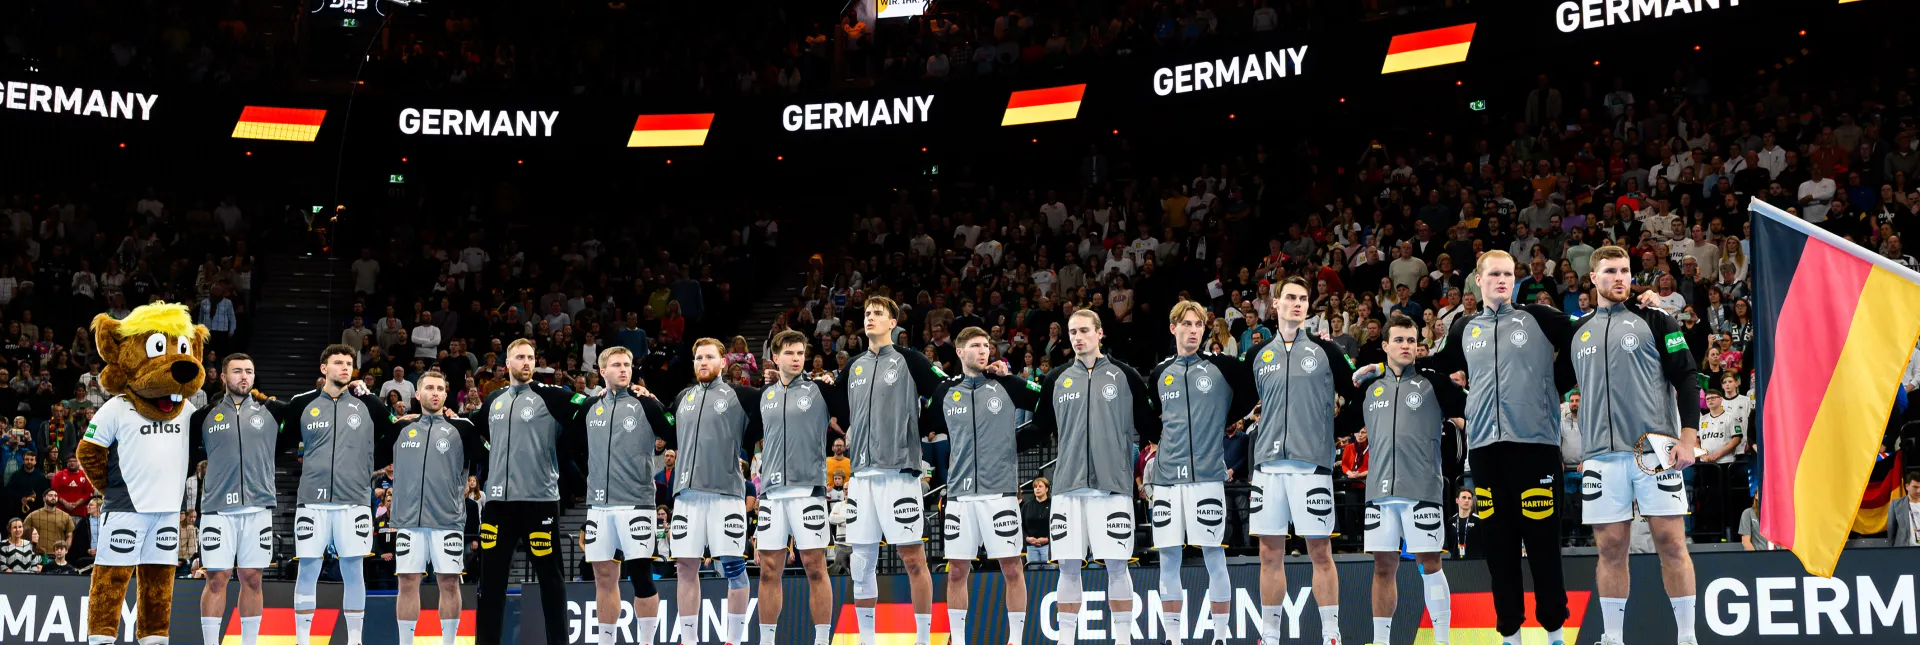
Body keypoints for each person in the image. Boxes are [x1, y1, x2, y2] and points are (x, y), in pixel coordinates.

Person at [1422, 250, 1580, 645]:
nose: (1503, 280)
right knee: (1499, 547)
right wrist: (1461, 405)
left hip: (1536, 446)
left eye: (1509, 274)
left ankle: (1555, 632)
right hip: (1486, 450)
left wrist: (1554, 386)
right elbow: (1439, 368)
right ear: (1478, 280)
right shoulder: (1463, 328)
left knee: (1543, 546)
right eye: (1494, 274)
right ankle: (1510, 634)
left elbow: (1586, 335)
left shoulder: (1538, 318)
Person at [1567, 246, 1702, 645]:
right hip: (1600, 456)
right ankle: (1612, 637)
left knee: (1671, 542)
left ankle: (1687, 637)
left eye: (1625, 270)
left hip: (1655, 450)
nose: (1620, 277)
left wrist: (1689, 438)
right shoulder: (1577, 330)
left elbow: (1688, 377)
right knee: (1610, 547)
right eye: (1610, 271)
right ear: (1593, 278)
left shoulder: (1656, 319)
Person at [1032, 309, 1160, 645]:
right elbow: (1039, 428)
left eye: (1084, 330)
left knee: (1117, 567)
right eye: (1072, 332)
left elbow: (1149, 425)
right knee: (1068, 568)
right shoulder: (1056, 378)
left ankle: (1122, 639)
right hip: (1067, 488)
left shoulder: (1125, 375)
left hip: (1112, 487)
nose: (1077, 337)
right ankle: (1066, 640)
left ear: (1100, 333)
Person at [828, 296, 947, 645]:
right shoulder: (852, 366)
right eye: (866, 314)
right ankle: (866, 640)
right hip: (861, 476)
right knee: (862, 562)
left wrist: (922, 424)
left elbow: (942, 390)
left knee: (913, 558)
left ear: (893, 321)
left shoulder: (911, 360)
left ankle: (924, 639)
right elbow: (835, 405)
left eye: (878, 313)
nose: (870, 318)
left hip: (899, 473)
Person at [462, 338, 597, 645]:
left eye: (530, 357)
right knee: (491, 584)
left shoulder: (552, 395)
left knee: (552, 583)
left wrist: (562, 453)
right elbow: (470, 430)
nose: (526, 362)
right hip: (497, 505)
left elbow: (587, 407)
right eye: (520, 357)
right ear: (506, 363)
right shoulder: (494, 398)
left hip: (540, 503)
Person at [1248, 277, 1358, 645]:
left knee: (1320, 550)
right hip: (1267, 465)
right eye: (1290, 298)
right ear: (1275, 303)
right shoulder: (1258, 355)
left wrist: (1336, 429)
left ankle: (1331, 634)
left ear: (1309, 307)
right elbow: (1234, 404)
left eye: (1303, 299)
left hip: (1311, 465)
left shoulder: (1326, 351)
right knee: (1268, 553)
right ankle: (1270, 635)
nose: (1297, 304)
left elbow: (1357, 394)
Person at [1144, 301, 1256, 645]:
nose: (1194, 330)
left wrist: (1225, 417)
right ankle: (1173, 638)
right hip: (1165, 480)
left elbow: (1251, 392)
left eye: (1198, 325)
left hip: (1207, 476)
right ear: (1173, 328)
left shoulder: (1222, 367)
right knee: (1169, 558)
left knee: (1214, 555)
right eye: (1187, 324)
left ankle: (1220, 637)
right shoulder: (1160, 373)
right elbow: (1149, 419)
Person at [928, 326, 1043, 645]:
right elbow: (925, 426)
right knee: (956, 572)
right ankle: (960, 640)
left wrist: (1014, 443)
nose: (983, 351)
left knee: (1012, 568)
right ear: (959, 352)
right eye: (975, 346)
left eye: (986, 346)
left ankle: (1016, 640)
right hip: (960, 497)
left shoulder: (1006, 385)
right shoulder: (945, 391)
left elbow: (1045, 406)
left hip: (1001, 493)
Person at [1359, 314, 1467, 645]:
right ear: (1385, 345)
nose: (1407, 346)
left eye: (1412, 340)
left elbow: (1469, 411)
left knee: (1431, 564)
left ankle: (1442, 640)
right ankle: (1380, 641)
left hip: (1422, 489)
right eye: (1400, 340)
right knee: (1382, 567)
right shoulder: (1370, 388)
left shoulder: (1434, 382)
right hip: (1379, 491)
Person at [285, 345, 399, 645]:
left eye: (349, 363)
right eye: (338, 363)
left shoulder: (367, 404)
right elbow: (281, 440)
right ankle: (302, 640)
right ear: (324, 368)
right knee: (308, 567)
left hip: (354, 502)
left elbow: (393, 433)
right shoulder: (302, 403)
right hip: (312, 501)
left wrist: (367, 465)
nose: (345, 368)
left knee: (353, 569)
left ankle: (355, 640)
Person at [189, 353, 298, 645]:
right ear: (224, 378)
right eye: (237, 371)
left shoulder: (272, 412)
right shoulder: (203, 417)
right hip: (217, 508)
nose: (243, 376)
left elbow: (289, 438)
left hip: (258, 506)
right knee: (216, 578)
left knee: (252, 578)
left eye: (248, 371)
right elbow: (190, 456)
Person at [572, 347, 673, 645]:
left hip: (636, 503)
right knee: (603, 578)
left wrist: (656, 400)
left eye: (627, 365)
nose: (624, 370)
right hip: (599, 506)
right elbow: (569, 445)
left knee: (640, 576)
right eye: (616, 365)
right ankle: (606, 641)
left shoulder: (645, 404)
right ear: (602, 371)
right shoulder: (591, 407)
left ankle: (646, 641)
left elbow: (674, 428)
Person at [667, 338, 763, 645]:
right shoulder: (683, 396)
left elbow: (773, 412)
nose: (703, 362)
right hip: (686, 495)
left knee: (734, 567)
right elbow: (663, 422)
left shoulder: (742, 395)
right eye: (698, 358)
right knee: (685, 567)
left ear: (723, 361)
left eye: (709, 357)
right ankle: (689, 639)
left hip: (726, 495)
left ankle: (733, 639)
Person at [752, 331, 843, 645]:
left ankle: (821, 640)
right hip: (772, 494)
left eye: (800, 353)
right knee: (768, 570)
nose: (795, 358)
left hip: (808, 491)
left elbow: (851, 407)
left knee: (815, 567)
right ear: (775, 358)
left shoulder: (820, 390)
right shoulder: (764, 395)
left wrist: (835, 382)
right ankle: (766, 640)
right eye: (789, 353)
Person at [24, 490, 73, 555]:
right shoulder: (32, 515)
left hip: (57, 554)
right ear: (44, 498)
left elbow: (69, 536)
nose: (53, 497)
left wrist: (64, 550)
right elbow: (24, 534)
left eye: (55, 496)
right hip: (38, 554)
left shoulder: (66, 516)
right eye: (50, 495)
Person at [1022, 477, 1052, 565]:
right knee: (1033, 573)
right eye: (1035, 487)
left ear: (1046, 489)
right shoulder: (1026, 505)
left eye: (1040, 486)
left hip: (1048, 546)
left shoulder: (1053, 504)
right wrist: (1027, 538)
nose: (1037, 489)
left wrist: (1047, 539)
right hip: (1031, 546)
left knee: (1049, 572)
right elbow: (1021, 525)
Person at [1886, 472, 1919, 547]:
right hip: (1904, 549)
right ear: (1907, 486)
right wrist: (1892, 550)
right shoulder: (1896, 504)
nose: (1918, 491)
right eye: (1915, 487)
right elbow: (1891, 529)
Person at [1447, 488, 1477, 560]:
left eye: (1469, 498)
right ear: (1457, 500)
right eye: (1464, 497)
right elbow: (1450, 543)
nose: (1467, 500)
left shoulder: (1478, 521)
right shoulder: (1451, 521)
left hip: (1476, 561)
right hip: (1455, 561)